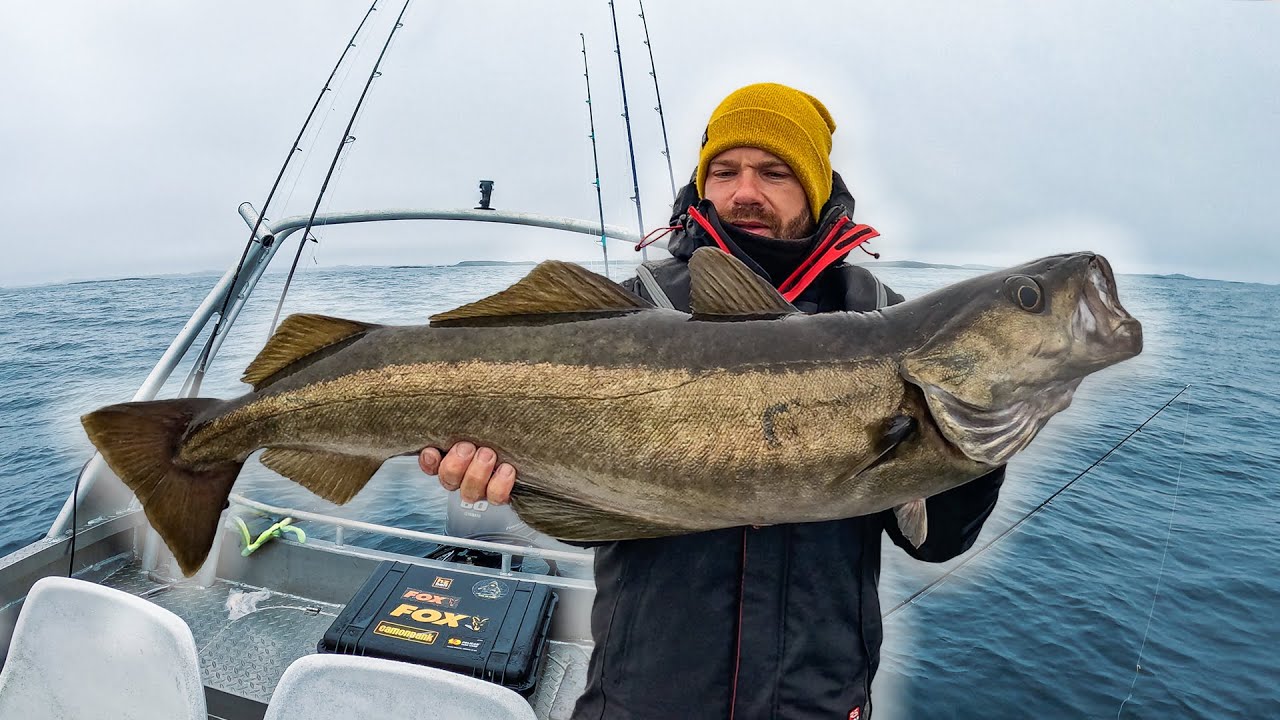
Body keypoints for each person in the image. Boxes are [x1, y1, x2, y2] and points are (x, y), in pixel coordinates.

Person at [419, 83, 1006, 719]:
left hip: (816, 702)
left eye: (774, 172)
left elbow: (935, 542)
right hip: (642, 696)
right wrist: (518, 478)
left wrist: (974, 429)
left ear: (814, 187)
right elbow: (590, 518)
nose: (744, 192)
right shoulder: (632, 309)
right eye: (724, 172)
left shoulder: (889, 322)